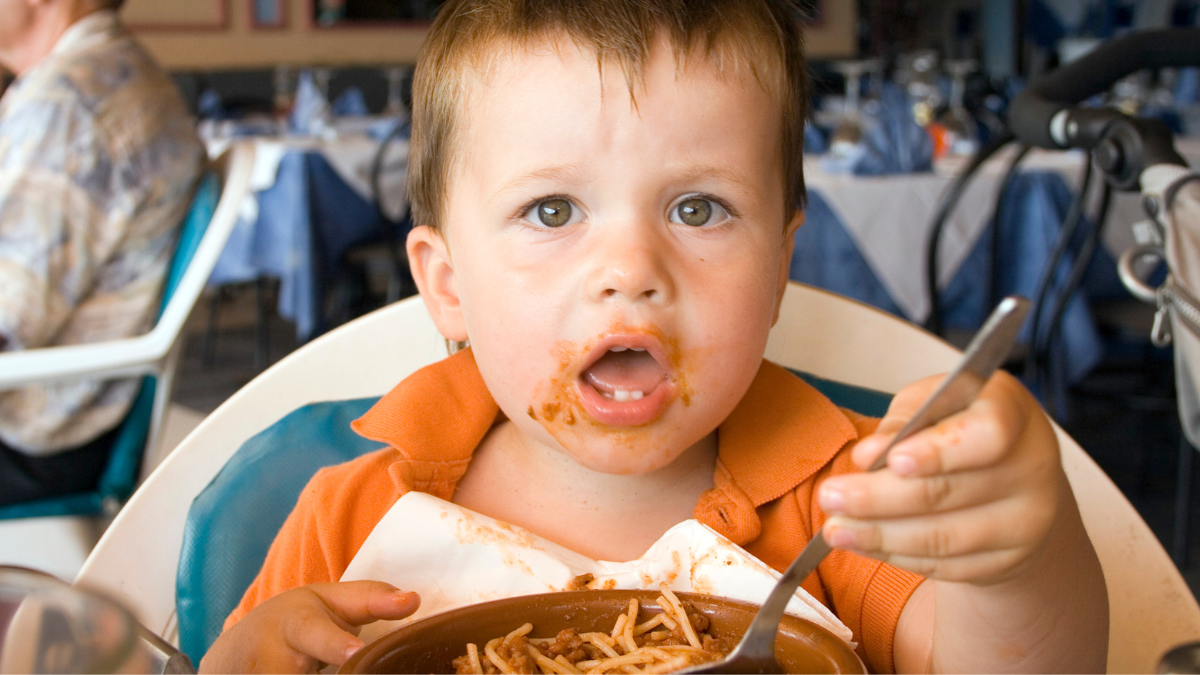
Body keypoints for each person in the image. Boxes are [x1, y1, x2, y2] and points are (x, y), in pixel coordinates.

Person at [201, 0, 1109, 672]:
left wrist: (1018, 561)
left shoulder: (847, 501)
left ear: (781, 267)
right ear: (448, 285)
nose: (630, 266)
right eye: (551, 209)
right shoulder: (354, 514)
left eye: (698, 207)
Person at [0, 0, 203, 505]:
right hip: (73, 412)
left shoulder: (69, 104)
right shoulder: (107, 73)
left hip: (37, 431)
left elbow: (7, 319)